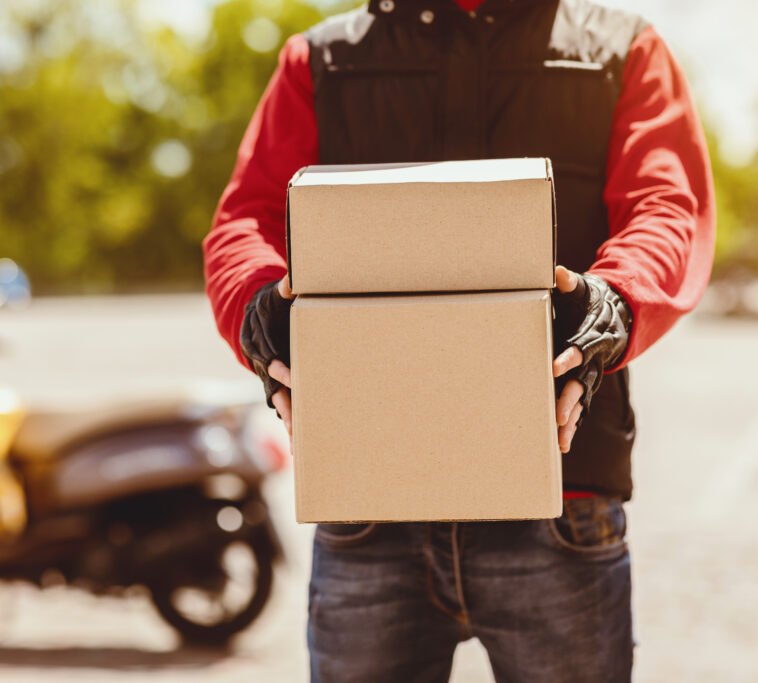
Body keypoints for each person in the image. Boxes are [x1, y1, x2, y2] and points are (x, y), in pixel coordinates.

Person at [203, 0, 715, 680]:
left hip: (563, 499)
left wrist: (617, 298)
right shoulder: (320, 60)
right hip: (366, 505)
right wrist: (256, 302)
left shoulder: (621, 50)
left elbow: (666, 207)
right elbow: (246, 220)